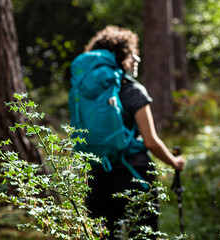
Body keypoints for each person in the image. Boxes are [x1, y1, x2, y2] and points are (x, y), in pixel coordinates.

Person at [71, 26, 185, 239]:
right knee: (144, 235)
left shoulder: (85, 93)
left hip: (97, 178)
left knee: (104, 236)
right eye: (133, 53)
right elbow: (150, 141)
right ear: (121, 56)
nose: (137, 59)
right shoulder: (133, 91)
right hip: (133, 174)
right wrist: (174, 163)